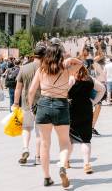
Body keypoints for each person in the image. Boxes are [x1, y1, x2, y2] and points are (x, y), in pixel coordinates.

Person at [28, 39, 82, 188]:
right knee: (64, 142)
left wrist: (30, 107)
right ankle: (62, 167)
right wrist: (70, 58)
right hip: (61, 105)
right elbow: (81, 64)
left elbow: (32, 91)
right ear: (60, 55)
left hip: (43, 104)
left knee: (45, 144)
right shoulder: (66, 69)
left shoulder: (41, 70)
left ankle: (46, 178)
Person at [67, 65, 105, 174]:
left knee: (69, 139)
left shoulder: (71, 79)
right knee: (86, 139)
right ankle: (87, 164)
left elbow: (64, 93)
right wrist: (94, 101)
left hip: (72, 110)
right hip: (86, 110)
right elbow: (102, 89)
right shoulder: (90, 80)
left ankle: (66, 161)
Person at [12, 45, 46, 165]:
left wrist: (16, 103)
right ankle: (38, 157)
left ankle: (25, 148)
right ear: (44, 55)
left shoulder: (24, 68)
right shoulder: (45, 68)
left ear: (34, 55)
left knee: (26, 128)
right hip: (42, 104)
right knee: (39, 132)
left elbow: (18, 88)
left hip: (26, 104)